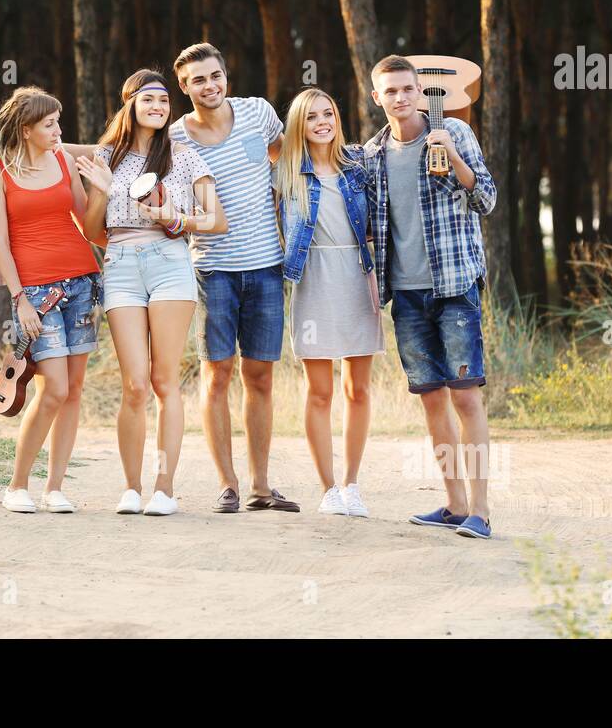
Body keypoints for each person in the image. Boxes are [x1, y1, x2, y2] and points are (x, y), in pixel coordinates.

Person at [74, 69, 227, 516]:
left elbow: (216, 220)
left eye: (164, 101)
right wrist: (102, 191)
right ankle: (130, 487)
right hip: (120, 264)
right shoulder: (106, 157)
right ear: (131, 105)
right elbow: (90, 229)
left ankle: (164, 488)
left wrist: (174, 218)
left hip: (169, 264)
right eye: (149, 100)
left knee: (164, 380)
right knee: (134, 384)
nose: (159, 107)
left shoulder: (183, 157)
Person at [363, 55, 497, 539]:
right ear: (377, 98)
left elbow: (487, 199)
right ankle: (455, 505)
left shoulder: (455, 134)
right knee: (432, 401)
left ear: (420, 92)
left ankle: (481, 510)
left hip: (455, 286)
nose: (400, 98)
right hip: (408, 294)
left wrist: (453, 158)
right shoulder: (372, 155)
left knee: (466, 398)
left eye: (407, 89)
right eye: (390, 91)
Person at [169, 42, 298, 514]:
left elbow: (291, 157)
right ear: (184, 87)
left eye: (216, 75)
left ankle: (262, 486)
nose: (210, 85)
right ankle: (227, 484)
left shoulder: (258, 113)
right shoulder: (176, 137)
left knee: (260, 377)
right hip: (213, 269)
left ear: (226, 75)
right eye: (199, 80)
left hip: (267, 265)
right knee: (217, 375)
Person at [0, 87, 101, 515]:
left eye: (58, 122)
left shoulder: (64, 160)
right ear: (26, 129)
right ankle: (16, 485)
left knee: (73, 391)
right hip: (37, 292)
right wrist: (20, 299)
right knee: (54, 388)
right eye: (50, 124)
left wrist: (106, 193)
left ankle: (54, 488)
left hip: (82, 283)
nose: (58, 130)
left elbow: (87, 223)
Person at [275, 89, 383, 517]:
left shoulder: (358, 166)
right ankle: (328, 489)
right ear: (299, 125)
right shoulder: (286, 173)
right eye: (313, 116)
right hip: (313, 280)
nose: (323, 122)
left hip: (358, 276)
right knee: (319, 391)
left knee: (357, 388)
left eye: (329, 113)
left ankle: (352, 484)